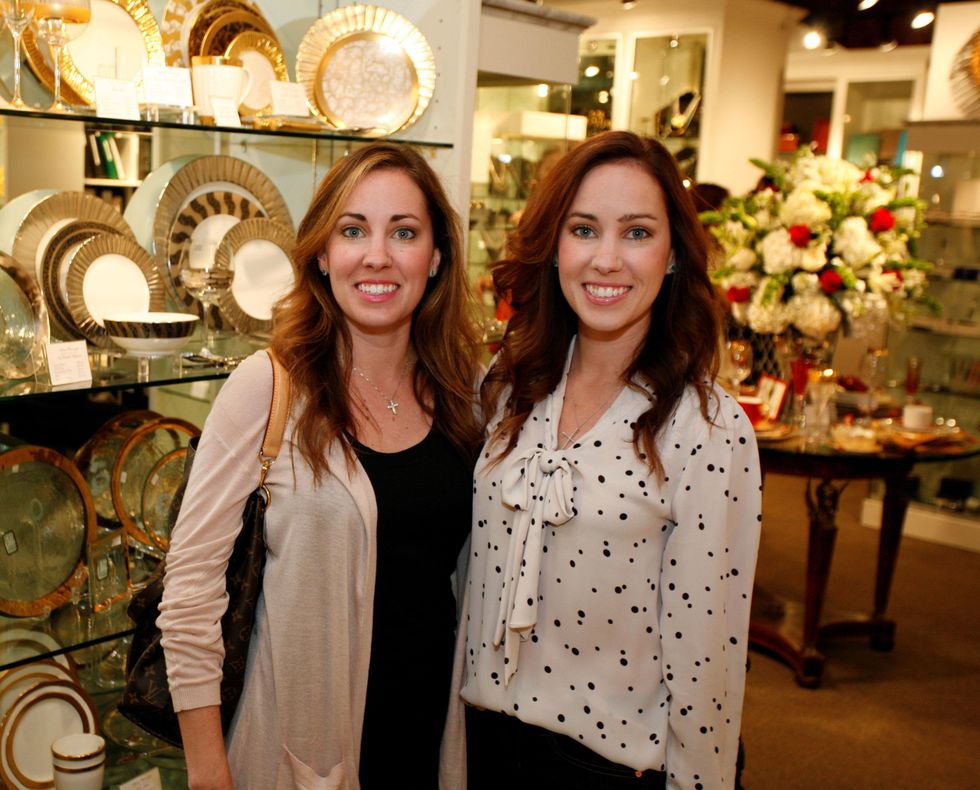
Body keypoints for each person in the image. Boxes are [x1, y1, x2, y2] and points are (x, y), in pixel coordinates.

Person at [158, 142, 482, 789]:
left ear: (437, 255)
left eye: (405, 232)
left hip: (431, 743)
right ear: (323, 254)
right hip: (300, 758)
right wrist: (207, 770)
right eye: (353, 229)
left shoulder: (465, 392)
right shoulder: (268, 389)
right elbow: (189, 592)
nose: (377, 255)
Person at [461, 131, 762, 789]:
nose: (606, 259)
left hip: (611, 769)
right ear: (554, 247)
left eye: (636, 233)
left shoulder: (707, 431)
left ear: (674, 253)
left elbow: (710, 660)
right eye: (584, 229)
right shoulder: (509, 387)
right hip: (483, 749)